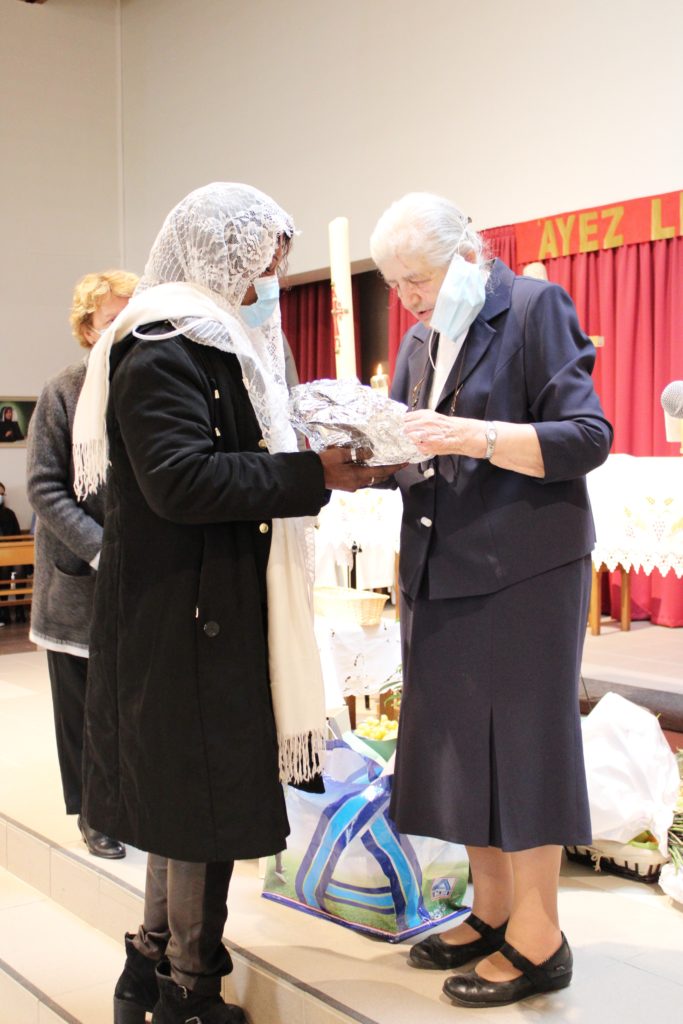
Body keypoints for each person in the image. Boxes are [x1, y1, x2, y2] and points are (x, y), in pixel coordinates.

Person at [71, 183, 398, 1024]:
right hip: (182, 616)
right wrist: (311, 473)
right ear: (218, 255)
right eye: (261, 265)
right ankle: (190, 990)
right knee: (198, 806)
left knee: (182, 804)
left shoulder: (209, 341)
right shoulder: (162, 345)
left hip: (205, 604)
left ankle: (150, 965)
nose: (267, 284)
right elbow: (180, 481)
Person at [369, 192, 612, 1009]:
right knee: (460, 747)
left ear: (467, 252)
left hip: (525, 569)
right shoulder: (417, 339)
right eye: (394, 282)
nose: (407, 296)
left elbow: (586, 436)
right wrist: (371, 450)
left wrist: (478, 437)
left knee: (523, 745)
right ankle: (492, 909)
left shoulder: (533, 308)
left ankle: (540, 941)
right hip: (440, 563)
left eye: (418, 276)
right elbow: (421, 450)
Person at [26, 269, 138, 858]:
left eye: (132, 315)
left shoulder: (148, 386)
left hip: (141, 579)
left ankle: (129, 803)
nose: (124, 327)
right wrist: (100, 548)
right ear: (88, 329)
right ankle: (94, 812)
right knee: (82, 707)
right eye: (112, 318)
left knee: (128, 706)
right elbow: (44, 487)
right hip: (78, 580)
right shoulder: (63, 391)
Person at [0, 482, 23, 627]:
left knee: (20, 568)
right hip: (1, 558)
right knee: (3, 569)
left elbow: (18, 536)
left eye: (2, 494)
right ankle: (3, 610)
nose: (0, 496)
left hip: (13, 553)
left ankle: (20, 608)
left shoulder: (9, 514)